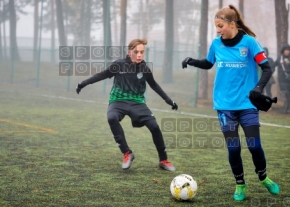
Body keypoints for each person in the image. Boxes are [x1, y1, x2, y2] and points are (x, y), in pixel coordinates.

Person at [181, 4, 279, 201]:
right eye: (216, 26)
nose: (217, 30)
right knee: (233, 148)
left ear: (232, 24)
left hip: (247, 104)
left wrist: (257, 89)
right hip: (224, 106)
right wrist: (192, 61)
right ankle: (240, 184)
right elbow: (209, 63)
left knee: (253, 145)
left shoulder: (250, 43)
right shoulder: (216, 44)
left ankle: (263, 177)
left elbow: (267, 69)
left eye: (220, 26)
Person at [76, 38, 177, 171]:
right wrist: (83, 83)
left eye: (142, 52)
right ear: (129, 52)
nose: (139, 55)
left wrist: (169, 101)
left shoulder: (144, 68)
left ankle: (163, 160)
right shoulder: (119, 64)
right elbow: (103, 74)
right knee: (112, 118)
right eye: (136, 52)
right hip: (118, 100)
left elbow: (154, 85)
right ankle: (127, 152)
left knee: (154, 126)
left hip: (137, 102)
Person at [273, 44, 290, 113]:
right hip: (282, 79)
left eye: (288, 50)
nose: (287, 51)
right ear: (283, 51)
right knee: (286, 93)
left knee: (289, 93)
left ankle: (286, 109)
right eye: (286, 50)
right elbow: (274, 65)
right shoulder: (279, 58)